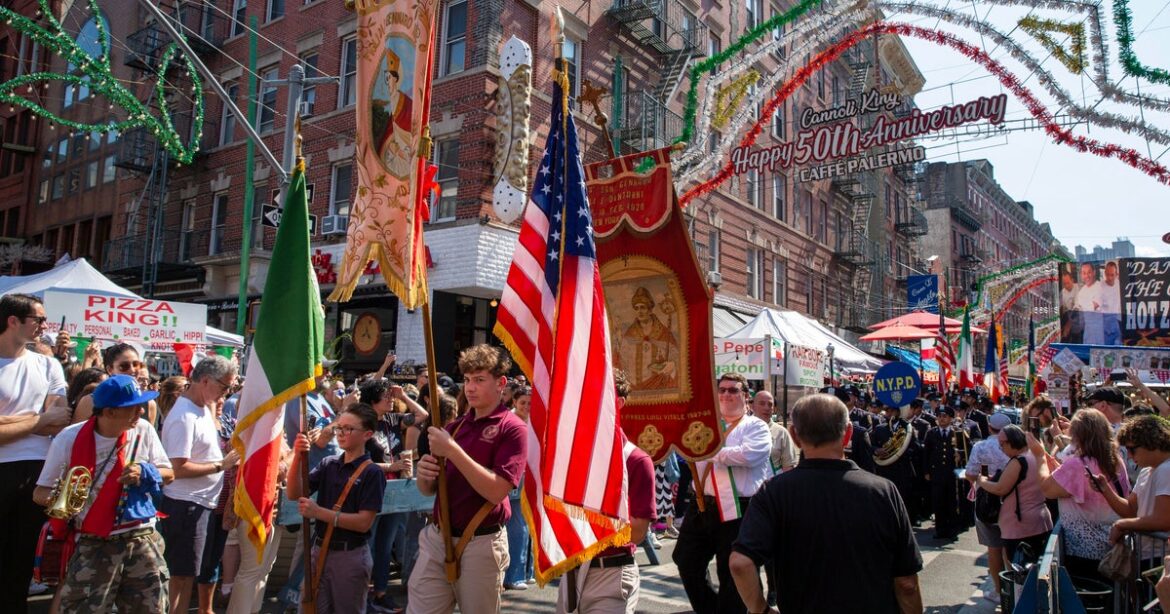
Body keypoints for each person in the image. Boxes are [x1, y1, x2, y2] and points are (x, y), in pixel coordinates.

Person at [728, 393, 923, 614]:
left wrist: (760, 609)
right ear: (848, 433)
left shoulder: (773, 492)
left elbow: (740, 563)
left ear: (794, 435)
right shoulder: (883, 491)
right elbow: (907, 583)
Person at [32, 375, 175, 612]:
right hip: (93, 542)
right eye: (132, 407)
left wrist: (144, 471)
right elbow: (40, 492)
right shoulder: (68, 438)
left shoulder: (144, 430)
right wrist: (67, 497)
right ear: (109, 412)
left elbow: (168, 473)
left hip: (141, 537)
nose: (140, 411)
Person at [409, 344, 527, 614]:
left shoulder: (513, 428)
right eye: (467, 379)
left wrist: (452, 450)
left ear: (501, 383)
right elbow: (428, 490)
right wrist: (424, 474)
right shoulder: (455, 427)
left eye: (479, 380)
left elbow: (497, 491)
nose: (470, 388)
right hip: (438, 537)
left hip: (481, 542)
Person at [556, 368, 656, 614]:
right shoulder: (571, 454)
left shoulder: (636, 460)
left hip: (611, 571)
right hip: (572, 570)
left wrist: (586, 519)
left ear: (618, 403)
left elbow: (637, 533)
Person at [673, 373, 772, 614]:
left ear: (745, 396)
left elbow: (748, 455)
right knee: (685, 559)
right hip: (702, 504)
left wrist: (709, 451)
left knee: (731, 571)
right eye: (722, 390)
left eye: (733, 390)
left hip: (739, 507)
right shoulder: (704, 425)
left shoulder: (756, 426)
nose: (726, 394)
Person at [0, 293, 70, 612]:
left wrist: (11, 422)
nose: (45, 325)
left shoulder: (48, 364)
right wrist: (38, 419)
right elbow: (47, 419)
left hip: (36, 473)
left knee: (21, 561)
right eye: (38, 319)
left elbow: (59, 419)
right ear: (13, 321)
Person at [285, 403, 385, 614]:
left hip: (349, 555)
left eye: (348, 429)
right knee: (309, 609)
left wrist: (318, 513)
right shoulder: (328, 464)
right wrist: (298, 456)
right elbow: (294, 493)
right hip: (319, 551)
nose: (340, 433)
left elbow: (363, 523)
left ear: (367, 434)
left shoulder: (372, 472)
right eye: (339, 427)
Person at [159, 355, 240, 614]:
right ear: (205, 381)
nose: (226, 393)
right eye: (224, 386)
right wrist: (220, 466)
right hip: (185, 506)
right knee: (180, 577)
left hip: (198, 505)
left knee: (187, 575)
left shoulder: (202, 408)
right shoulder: (184, 416)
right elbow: (177, 468)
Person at [1034, 409, 1129, 583]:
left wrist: (1039, 456)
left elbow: (1047, 489)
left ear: (1077, 436)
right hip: (1111, 542)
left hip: (1084, 549)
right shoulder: (1115, 458)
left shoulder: (1078, 464)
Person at [1095, 415, 1170, 560]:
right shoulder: (1147, 470)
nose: (1128, 456)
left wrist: (1122, 525)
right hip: (1147, 556)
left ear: (1150, 442)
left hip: (1161, 558)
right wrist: (1105, 489)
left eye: (1131, 449)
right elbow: (1131, 510)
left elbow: (1163, 520)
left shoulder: (1166, 470)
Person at [975, 425, 1053, 563]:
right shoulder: (1036, 455)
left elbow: (1000, 488)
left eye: (1002, 445)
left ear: (1011, 441)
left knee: (1019, 567)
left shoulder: (1019, 461)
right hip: (1039, 519)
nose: (1002, 449)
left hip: (1020, 524)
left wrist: (982, 481)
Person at [964, 412, 1013, 604]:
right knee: (1009, 545)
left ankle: (999, 591)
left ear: (990, 427)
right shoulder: (1016, 446)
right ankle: (1013, 588)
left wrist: (981, 479)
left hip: (987, 500)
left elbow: (970, 473)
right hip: (1011, 498)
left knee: (994, 547)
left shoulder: (981, 446)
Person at [72, 343, 159, 426]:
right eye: (124, 366)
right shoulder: (90, 402)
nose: (132, 370)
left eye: (136, 365)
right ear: (110, 370)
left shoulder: (149, 404)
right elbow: (76, 434)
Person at [616, 286, 679, 391]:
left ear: (649, 309)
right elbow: (621, 360)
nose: (639, 311)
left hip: (658, 384)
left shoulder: (664, 333)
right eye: (637, 308)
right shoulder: (629, 334)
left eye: (643, 307)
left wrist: (672, 364)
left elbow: (676, 357)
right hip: (633, 387)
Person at [503, 386, 533, 591]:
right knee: (517, 526)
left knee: (528, 526)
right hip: (514, 479)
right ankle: (513, 575)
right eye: (523, 403)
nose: (527, 407)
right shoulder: (509, 421)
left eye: (530, 403)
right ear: (514, 402)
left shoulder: (536, 421)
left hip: (531, 478)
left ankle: (527, 571)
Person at [924, 406, 962, 540]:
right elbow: (926, 453)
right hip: (937, 473)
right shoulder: (931, 433)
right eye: (939, 416)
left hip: (953, 474)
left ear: (951, 418)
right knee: (938, 502)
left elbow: (966, 450)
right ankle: (940, 530)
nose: (941, 419)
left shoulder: (957, 432)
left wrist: (960, 457)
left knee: (952, 502)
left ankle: (953, 530)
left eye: (945, 416)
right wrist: (926, 471)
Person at [751, 390, 797, 474]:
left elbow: (788, 466)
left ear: (774, 409)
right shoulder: (741, 429)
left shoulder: (782, 433)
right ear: (752, 406)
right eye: (762, 403)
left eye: (770, 404)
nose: (766, 408)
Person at [1075, 262, 1105, 345]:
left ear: (1094, 272)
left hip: (1100, 330)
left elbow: (1094, 306)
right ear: (1081, 275)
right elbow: (1078, 309)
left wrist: (1082, 305)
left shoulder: (1100, 286)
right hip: (1088, 330)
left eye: (1089, 272)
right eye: (1084, 273)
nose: (1087, 276)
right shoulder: (1081, 292)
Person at [1100, 261, 1123, 345]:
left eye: (1112, 275)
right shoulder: (1099, 287)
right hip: (1105, 324)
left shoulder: (1120, 285)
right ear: (1105, 273)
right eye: (1107, 274)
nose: (1109, 278)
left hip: (1118, 323)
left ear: (1116, 274)